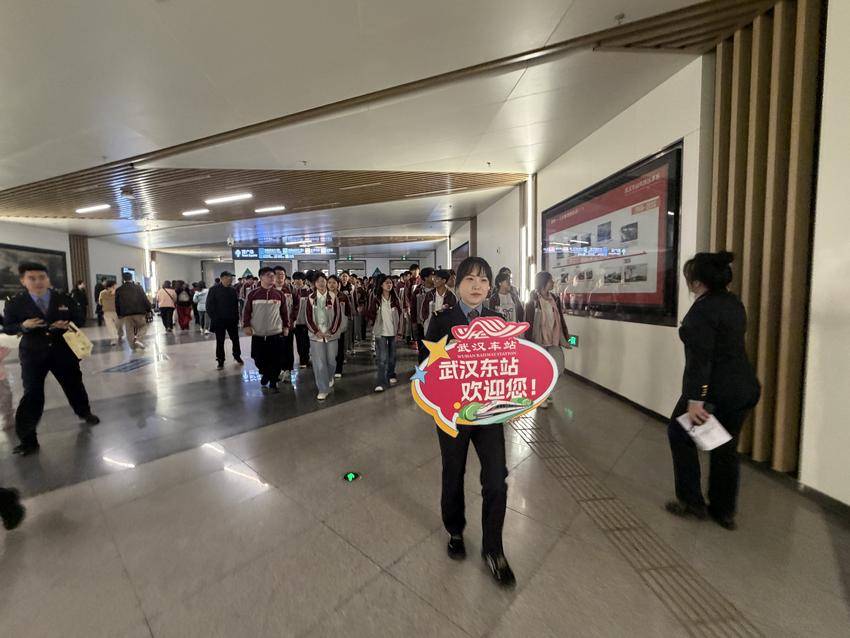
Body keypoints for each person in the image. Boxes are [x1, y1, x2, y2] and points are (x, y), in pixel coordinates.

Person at [424, 256, 515, 587]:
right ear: (457, 283)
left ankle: (493, 548)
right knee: (453, 472)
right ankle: (455, 531)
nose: (477, 286)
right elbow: (425, 368)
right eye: (470, 279)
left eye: (483, 280)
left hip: (488, 414)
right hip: (452, 414)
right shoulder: (442, 320)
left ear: (490, 287)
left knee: (496, 479)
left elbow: (510, 366)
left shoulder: (498, 321)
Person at [666, 252, 761, 531]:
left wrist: (697, 398)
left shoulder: (702, 311)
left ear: (696, 283)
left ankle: (692, 502)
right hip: (743, 388)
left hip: (715, 391)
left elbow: (701, 360)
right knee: (724, 446)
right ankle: (723, 511)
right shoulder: (733, 303)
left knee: (678, 432)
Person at [2, 262, 100, 455]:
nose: (38, 282)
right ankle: (28, 439)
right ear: (23, 280)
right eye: (32, 278)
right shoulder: (15, 303)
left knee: (74, 385)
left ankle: (84, 412)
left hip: (63, 351)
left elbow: (79, 318)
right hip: (33, 354)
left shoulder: (63, 298)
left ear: (48, 279)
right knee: (32, 394)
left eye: (42, 277)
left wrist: (67, 323)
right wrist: (23, 326)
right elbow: (8, 327)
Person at [524, 271, 570, 409]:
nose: (553, 282)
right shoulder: (533, 301)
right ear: (544, 282)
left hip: (553, 338)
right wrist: (529, 342)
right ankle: (542, 395)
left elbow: (560, 318)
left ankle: (546, 390)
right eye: (551, 280)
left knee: (558, 367)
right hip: (539, 340)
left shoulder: (554, 298)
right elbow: (528, 322)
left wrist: (565, 336)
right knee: (541, 370)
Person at [243, 267, 290, 393]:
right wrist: (246, 325)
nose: (272, 278)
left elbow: (284, 312)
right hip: (258, 333)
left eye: (273, 276)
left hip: (275, 333)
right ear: (261, 277)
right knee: (258, 359)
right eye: (269, 275)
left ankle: (273, 382)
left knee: (276, 359)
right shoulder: (253, 294)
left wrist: (286, 326)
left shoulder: (279, 294)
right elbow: (246, 311)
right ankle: (265, 374)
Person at [303, 272, 343, 400]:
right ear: (314, 284)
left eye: (323, 280)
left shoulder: (333, 296)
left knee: (331, 361)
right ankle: (323, 389)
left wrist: (333, 330)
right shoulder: (310, 298)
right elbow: (307, 317)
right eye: (318, 281)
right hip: (316, 336)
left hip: (331, 334)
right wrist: (316, 331)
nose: (321, 283)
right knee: (319, 363)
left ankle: (329, 377)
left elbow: (338, 315)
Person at [366, 274, 401, 392]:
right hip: (381, 332)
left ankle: (391, 374)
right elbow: (370, 314)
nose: (389, 285)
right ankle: (380, 382)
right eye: (386, 283)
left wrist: (399, 331)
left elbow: (400, 316)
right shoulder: (376, 299)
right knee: (382, 358)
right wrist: (373, 323)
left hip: (393, 332)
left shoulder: (395, 300)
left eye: (390, 283)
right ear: (381, 285)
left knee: (392, 357)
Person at [205, 271, 243, 370]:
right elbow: (209, 306)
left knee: (235, 339)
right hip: (219, 321)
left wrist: (237, 318)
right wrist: (215, 318)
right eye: (227, 278)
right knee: (220, 341)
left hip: (232, 320)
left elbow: (235, 306)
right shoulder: (213, 290)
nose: (230, 280)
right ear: (222, 278)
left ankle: (237, 356)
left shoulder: (232, 290)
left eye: (231, 279)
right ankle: (220, 360)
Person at [115, 272, 152, 350]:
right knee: (143, 326)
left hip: (126, 313)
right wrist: (149, 309)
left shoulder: (119, 289)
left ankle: (133, 347)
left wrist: (119, 314)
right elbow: (144, 299)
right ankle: (138, 339)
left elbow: (117, 303)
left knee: (129, 330)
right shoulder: (138, 287)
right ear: (131, 278)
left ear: (123, 279)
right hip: (139, 312)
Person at [273, 266, 295, 382]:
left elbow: (296, 306)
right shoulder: (270, 289)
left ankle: (288, 370)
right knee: (276, 348)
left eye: (282, 274)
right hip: (273, 326)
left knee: (288, 347)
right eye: (277, 274)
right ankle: (277, 370)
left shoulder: (290, 289)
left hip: (288, 324)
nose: (280, 276)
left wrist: (292, 319)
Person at [328, 275, 351, 379]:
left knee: (339, 349)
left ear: (338, 284)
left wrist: (345, 321)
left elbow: (348, 310)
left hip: (340, 327)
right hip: (328, 327)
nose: (331, 285)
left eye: (334, 282)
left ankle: (338, 369)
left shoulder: (343, 296)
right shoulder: (325, 296)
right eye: (329, 282)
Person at [422, 269, 457, 336]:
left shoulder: (451, 296)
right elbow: (423, 310)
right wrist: (426, 321)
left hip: (445, 329)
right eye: (433, 278)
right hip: (430, 327)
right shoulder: (429, 294)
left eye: (437, 279)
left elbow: (454, 314)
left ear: (444, 280)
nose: (434, 280)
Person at [290, 272, 312, 368]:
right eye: (295, 279)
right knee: (299, 342)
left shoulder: (309, 291)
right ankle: (303, 360)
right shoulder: (292, 292)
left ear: (303, 280)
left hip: (307, 322)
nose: (297, 281)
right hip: (296, 322)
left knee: (306, 342)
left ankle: (305, 359)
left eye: (299, 279)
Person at [414, 267, 436, 362]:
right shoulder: (418, 290)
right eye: (432, 275)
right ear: (426, 277)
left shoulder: (438, 289)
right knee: (423, 348)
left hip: (435, 324)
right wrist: (414, 323)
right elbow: (414, 308)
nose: (434, 277)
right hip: (421, 324)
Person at [98, 280, 121, 345]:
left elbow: (100, 302)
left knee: (117, 325)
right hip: (107, 312)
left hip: (116, 312)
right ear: (110, 287)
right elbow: (100, 302)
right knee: (110, 326)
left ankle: (119, 335)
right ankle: (114, 339)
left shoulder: (117, 292)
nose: (116, 286)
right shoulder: (103, 293)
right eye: (115, 285)